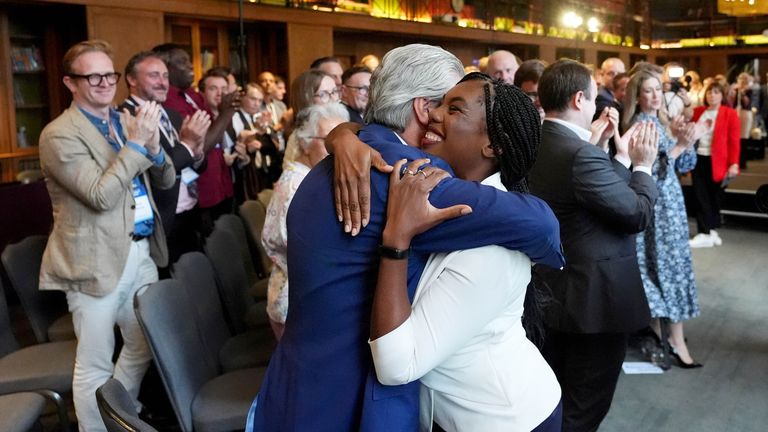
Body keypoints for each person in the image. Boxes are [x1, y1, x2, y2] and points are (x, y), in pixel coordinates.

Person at [245, 43, 564, 432]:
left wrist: (348, 132)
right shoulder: (407, 177)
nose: (442, 117)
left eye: (454, 109)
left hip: (292, 385)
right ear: (422, 108)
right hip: (350, 402)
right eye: (446, 104)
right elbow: (541, 225)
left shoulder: (324, 170)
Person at [369, 73, 562, 431]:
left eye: (454, 109)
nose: (433, 114)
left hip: (506, 418)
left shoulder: (492, 248)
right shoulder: (461, 207)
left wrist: (395, 241)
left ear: (492, 146)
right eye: (439, 102)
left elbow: (397, 366)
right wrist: (344, 137)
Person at [38, 40, 175, 432]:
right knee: (96, 360)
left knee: (143, 341)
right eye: (92, 75)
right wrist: (136, 144)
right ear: (70, 82)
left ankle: (119, 415)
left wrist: (154, 147)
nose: (103, 83)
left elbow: (164, 179)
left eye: (109, 74)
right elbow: (100, 195)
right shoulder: (58, 135)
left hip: (142, 251)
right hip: (93, 260)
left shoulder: (122, 120)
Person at [528, 59, 659, 432]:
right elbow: (635, 213)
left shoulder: (538, 142)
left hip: (551, 294)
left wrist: (614, 156)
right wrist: (643, 166)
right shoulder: (579, 154)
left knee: (552, 397)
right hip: (592, 304)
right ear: (579, 98)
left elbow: (593, 198)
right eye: (593, 97)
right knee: (584, 407)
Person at [623, 68, 702, 368]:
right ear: (637, 96)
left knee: (669, 266)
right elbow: (649, 175)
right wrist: (680, 145)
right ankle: (670, 337)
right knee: (664, 268)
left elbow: (685, 165)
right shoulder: (640, 126)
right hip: (656, 210)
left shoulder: (661, 122)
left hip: (672, 209)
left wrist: (686, 141)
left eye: (658, 89)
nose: (656, 95)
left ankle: (661, 334)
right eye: (648, 90)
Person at [261, 103, 349, 340]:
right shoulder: (295, 186)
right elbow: (308, 254)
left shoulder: (312, 177)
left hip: (305, 290)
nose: (338, 149)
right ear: (305, 141)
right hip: (295, 301)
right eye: (329, 141)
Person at [120, 51, 211, 267]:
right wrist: (187, 145)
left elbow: (194, 164)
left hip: (189, 213)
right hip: (162, 220)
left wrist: (196, 153)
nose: (163, 83)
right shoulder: (124, 118)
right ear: (132, 80)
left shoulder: (172, 115)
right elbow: (155, 167)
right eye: (154, 76)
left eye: (165, 76)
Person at [689, 80, 740, 248]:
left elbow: (734, 141)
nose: (712, 95)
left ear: (722, 95)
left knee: (714, 197)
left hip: (719, 161)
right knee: (700, 195)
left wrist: (734, 163)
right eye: (709, 92)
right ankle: (705, 232)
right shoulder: (698, 112)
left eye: (716, 92)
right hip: (699, 158)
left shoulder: (729, 113)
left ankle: (711, 230)